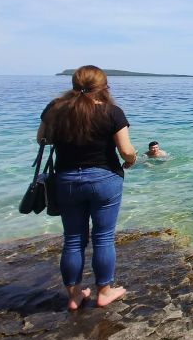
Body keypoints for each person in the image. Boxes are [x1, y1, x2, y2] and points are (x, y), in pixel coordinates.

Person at [37, 65, 136, 310]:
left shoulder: (55, 109)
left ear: (74, 86)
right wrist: (130, 161)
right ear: (104, 88)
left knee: (72, 239)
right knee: (103, 237)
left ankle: (74, 296)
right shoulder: (113, 112)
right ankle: (104, 292)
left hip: (67, 180)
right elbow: (126, 150)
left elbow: (42, 139)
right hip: (104, 179)